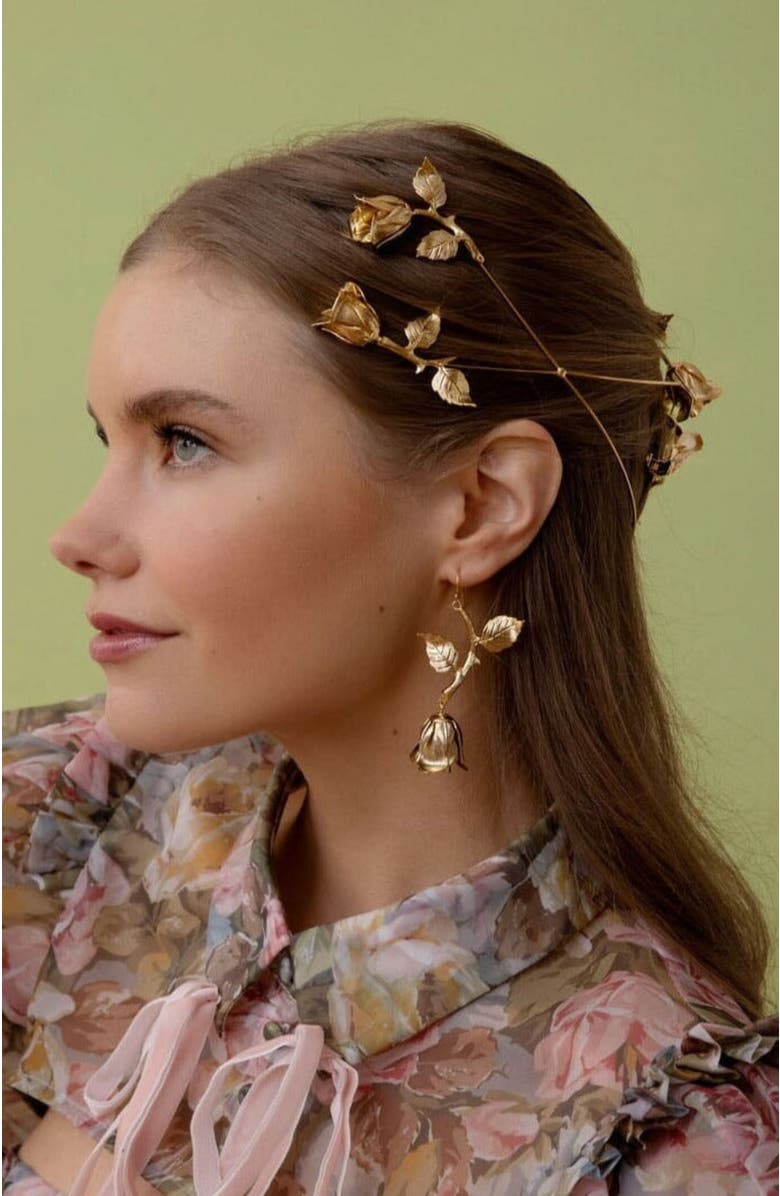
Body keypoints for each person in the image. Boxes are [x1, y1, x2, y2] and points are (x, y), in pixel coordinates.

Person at [3, 119, 776, 1195]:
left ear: (482, 505)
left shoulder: (666, 1136)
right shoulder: (43, 828)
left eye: (184, 441)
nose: (80, 535)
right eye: (111, 441)